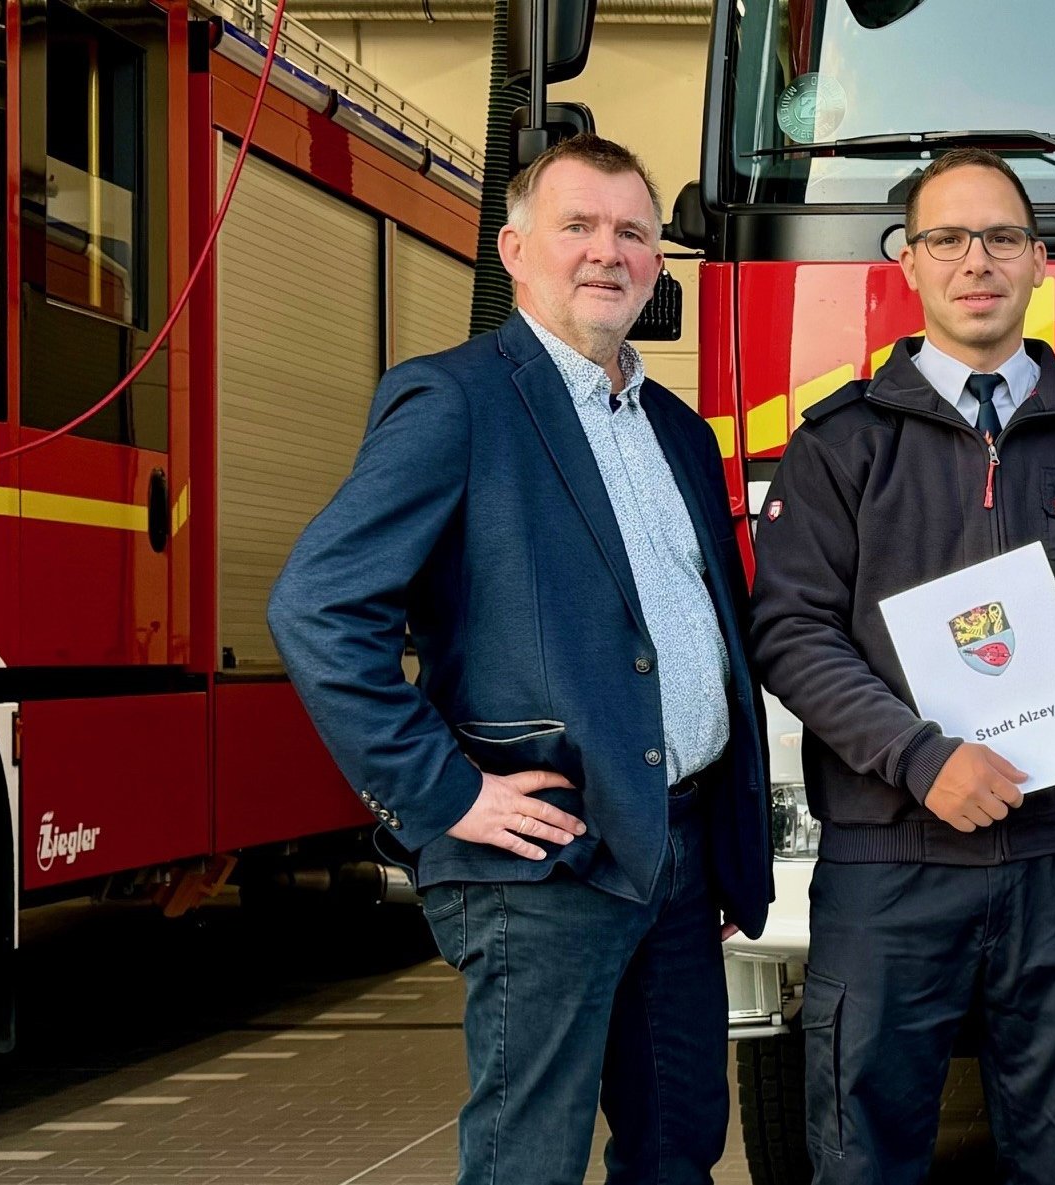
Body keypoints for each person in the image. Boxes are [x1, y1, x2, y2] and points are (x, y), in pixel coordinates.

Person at [269, 134, 772, 1184]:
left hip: (676, 855)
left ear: (658, 263)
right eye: (577, 227)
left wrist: (725, 838)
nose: (608, 252)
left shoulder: (678, 429)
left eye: (632, 232)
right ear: (514, 249)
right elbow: (318, 607)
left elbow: (707, 631)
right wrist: (443, 793)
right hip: (542, 861)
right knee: (529, 1154)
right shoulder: (453, 401)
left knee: (680, 1141)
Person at [745, 148, 1055, 1185]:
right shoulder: (840, 445)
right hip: (891, 864)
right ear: (909, 261)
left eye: (1000, 238)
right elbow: (790, 630)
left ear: (1039, 261)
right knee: (865, 1163)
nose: (974, 260)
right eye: (947, 237)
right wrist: (917, 756)